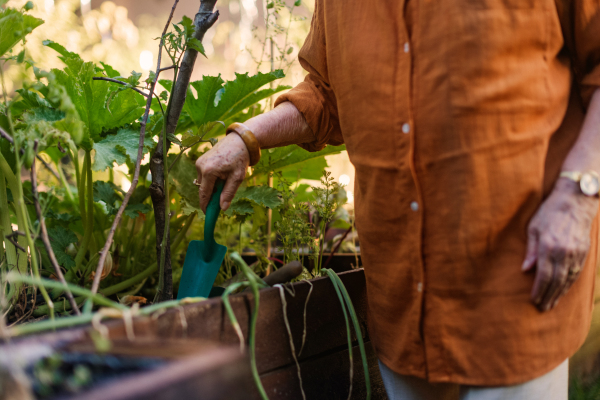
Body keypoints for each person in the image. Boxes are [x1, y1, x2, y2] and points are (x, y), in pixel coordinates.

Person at [195, 1, 600, 399]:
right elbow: (326, 93)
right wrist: (246, 139)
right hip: (402, 283)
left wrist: (577, 197)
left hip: (514, 270)